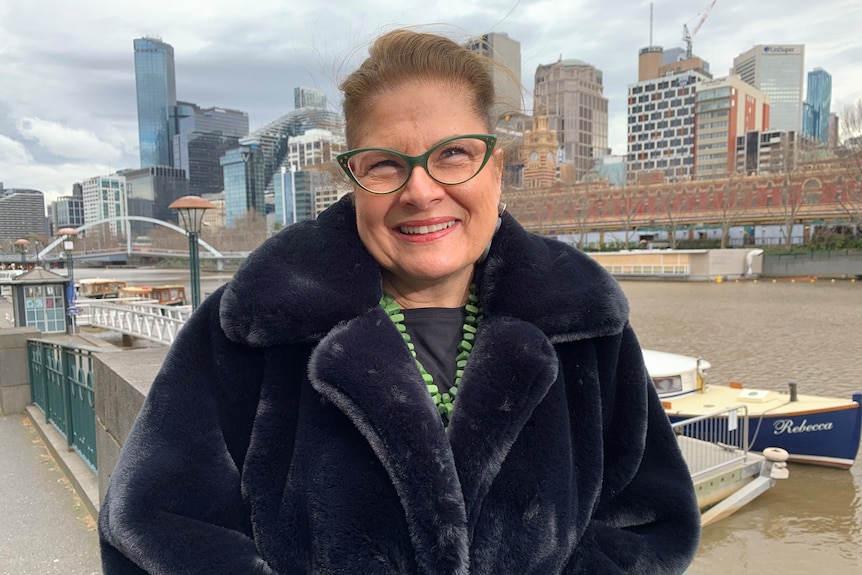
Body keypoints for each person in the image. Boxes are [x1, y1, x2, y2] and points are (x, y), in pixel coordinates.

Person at [98, 29, 701, 574]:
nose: (421, 190)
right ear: (353, 181)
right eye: (385, 165)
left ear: (495, 166)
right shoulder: (254, 324)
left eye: (454, 155)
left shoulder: (585, 322)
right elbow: (154, 525)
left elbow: (647, 523)